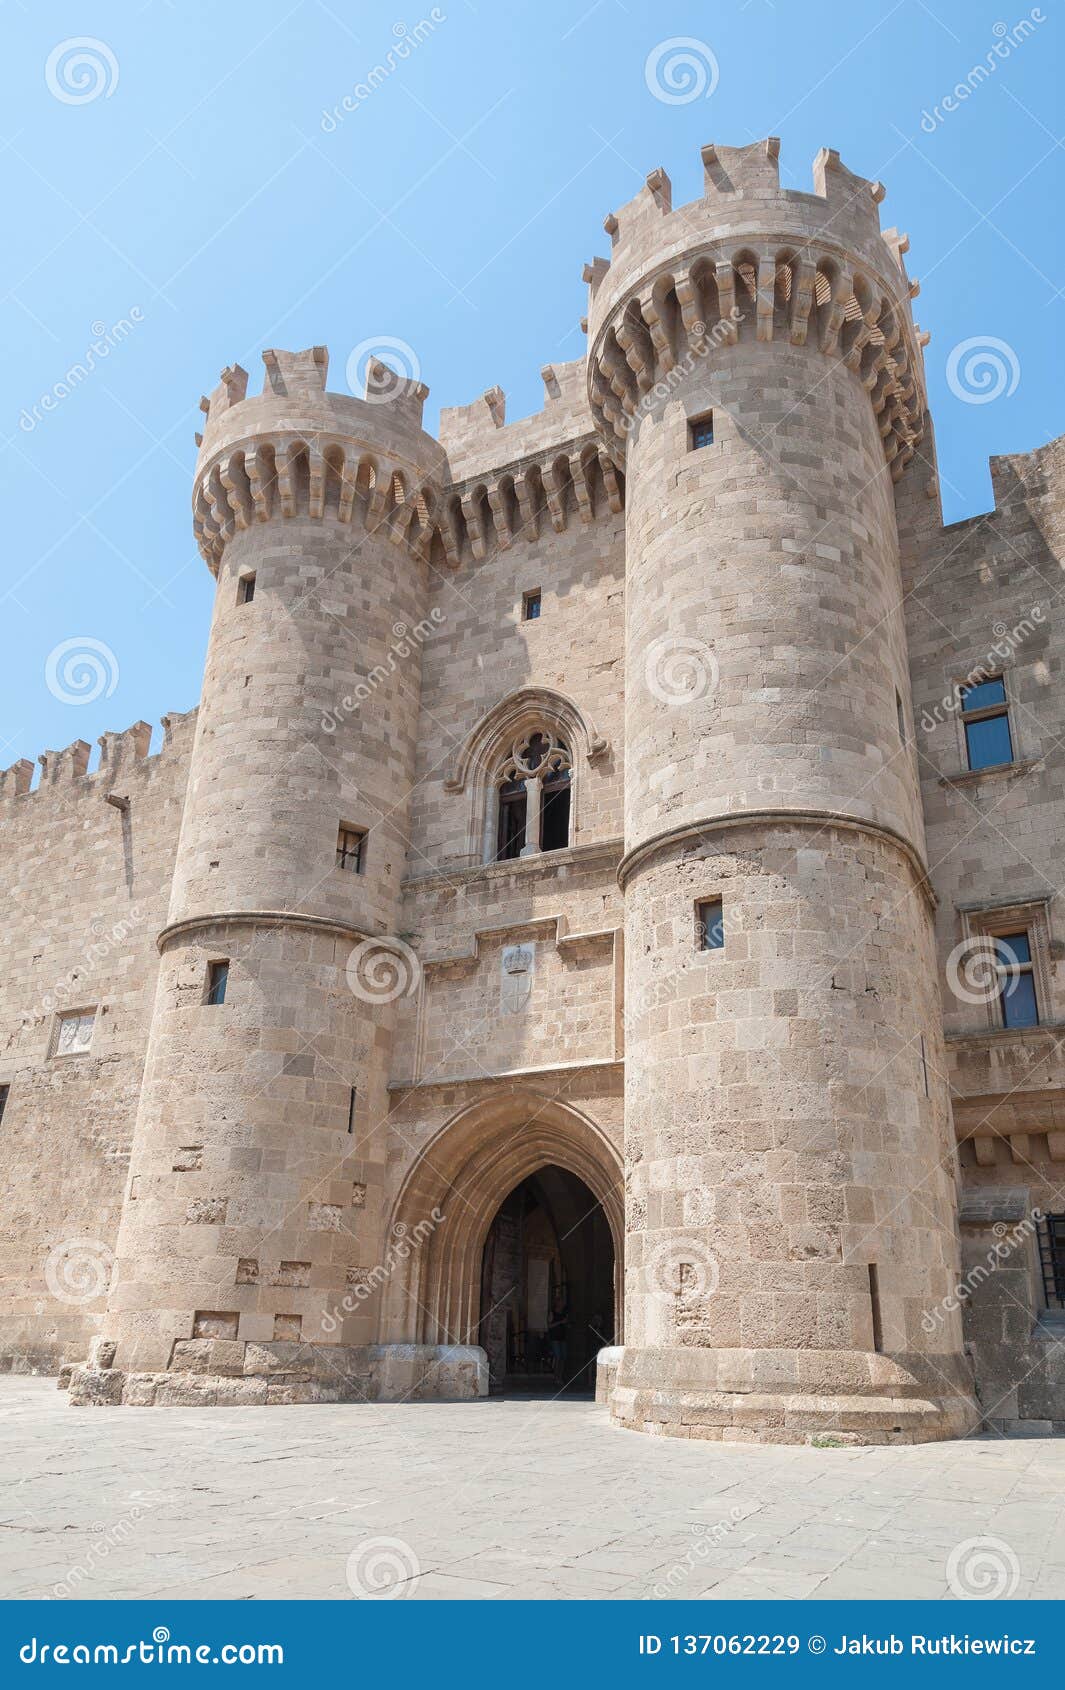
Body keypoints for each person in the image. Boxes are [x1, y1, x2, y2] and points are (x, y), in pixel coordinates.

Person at [546, 1288, 569, 1382]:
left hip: (562, 1337)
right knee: (558, 1357)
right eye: (561, 1301)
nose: (563, 1303)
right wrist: (560, 1322)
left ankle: (560, 1376)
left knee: (563, 1357)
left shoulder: (564, 1313)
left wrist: (567, 1324)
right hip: (554, 1338)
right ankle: (556, 1377)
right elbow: (549, 1325)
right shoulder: (552, 1313)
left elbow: (566, 1324)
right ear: (558, 1303)